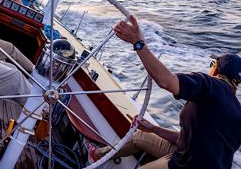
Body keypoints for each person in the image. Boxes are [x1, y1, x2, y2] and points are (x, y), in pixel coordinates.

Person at [89, 15, 241, 168]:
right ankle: (99, 154)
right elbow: (188, 139)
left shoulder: (210, 85)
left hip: (185, 164)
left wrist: (138, 43)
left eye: (212, 64)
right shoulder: (236, 112)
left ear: (215, 69)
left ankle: (96, 155)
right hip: (190, 155)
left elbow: (166, 81)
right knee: (141, 136)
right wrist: (154, 129)